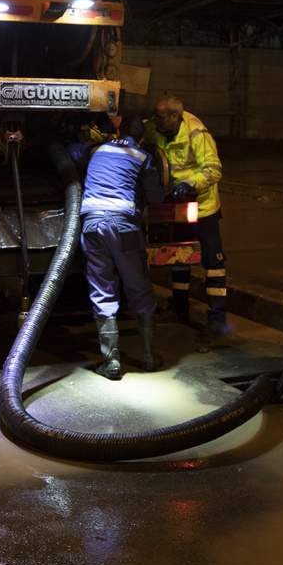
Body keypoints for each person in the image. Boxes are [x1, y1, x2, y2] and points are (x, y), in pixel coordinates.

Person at [74, 116, 166, 380]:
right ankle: (149, 357)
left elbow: (73, 152)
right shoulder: (141, 156)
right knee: (138, 287)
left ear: (118, 131)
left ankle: (111, 363)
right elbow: (157, 196)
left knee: (102, 289)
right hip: (124, 227)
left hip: (92, 226)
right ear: (141, 139)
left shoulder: (99, 150)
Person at [148, 96, 228, 338]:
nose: (155, 121)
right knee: (180, 256)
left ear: (175, 117)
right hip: (178, 207)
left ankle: (217, 319)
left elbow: (214, 168)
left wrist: (191, 182)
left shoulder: (197, 134)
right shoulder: (154, 128)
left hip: (202, 207)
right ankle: (179, 308)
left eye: (159, 117)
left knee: (213, 263)